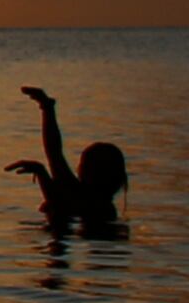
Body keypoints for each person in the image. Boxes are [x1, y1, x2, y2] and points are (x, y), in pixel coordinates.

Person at [9, 85, 130, 235]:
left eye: (84, 166)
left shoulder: (93, 204)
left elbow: (55, 160)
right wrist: (47, 108)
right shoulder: (93, 201)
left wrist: (47, 108)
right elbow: (54, 155)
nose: (78, 169)